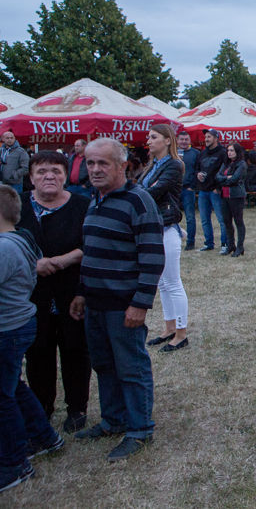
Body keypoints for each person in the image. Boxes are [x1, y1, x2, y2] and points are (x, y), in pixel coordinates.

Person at [69, 138, 164, 461]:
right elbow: (91, 251)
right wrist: (81, 292)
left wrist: (140, 303)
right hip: (95, 302)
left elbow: (153, 257)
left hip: (123, 305)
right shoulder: (95, 199)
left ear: (122, 166)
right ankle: (113, 420)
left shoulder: (139, 201)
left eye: (103, 163)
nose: (95, 169)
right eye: (90, 163)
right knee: (104, 365)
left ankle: (140, 429)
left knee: (131, 367)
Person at [18, 152, 92, 432]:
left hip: (73, 292)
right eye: (41, 171)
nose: (49, 176)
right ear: (31, 177)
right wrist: (32, 263)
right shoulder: (17, 206)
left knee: (76, 349)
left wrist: (66, 259)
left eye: (56, 171)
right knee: (38, 351)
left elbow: (93, 243)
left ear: (65, 176)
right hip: (31, 295)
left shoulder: (83, 205)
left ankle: (77, 408)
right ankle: (42, 408)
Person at [0, 185, 65, 493]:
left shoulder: (4, 248)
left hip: (7, 328)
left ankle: (14, 465)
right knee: (12, 386)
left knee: (2, 398)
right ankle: (43, 437)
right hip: (18, 324)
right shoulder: (20, 238)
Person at [137, 125, 189, 352]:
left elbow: (151, 192)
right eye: (148, 137)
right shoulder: (153, 165)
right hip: (154, 227)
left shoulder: (174, 164)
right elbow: (142, 189)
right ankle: (170, 328)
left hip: (167, 227)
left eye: (153, 137)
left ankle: (181, 333)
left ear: (168, 140)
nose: (148, 141)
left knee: (173, 282)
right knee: (163, 283)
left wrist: (132, 195)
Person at [194, 129, 227, 252]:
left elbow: (226, 171)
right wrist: (198, 174)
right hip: (203, 191)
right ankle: (209, 243)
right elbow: (196, 169)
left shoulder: (223, 152)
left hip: (215, 191)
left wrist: (218, 188)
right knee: (204, 219)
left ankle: (225, 243)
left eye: (209, 137)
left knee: (222, 219)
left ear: (216, 138)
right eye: (206, 137)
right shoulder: (202, 153)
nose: (206, 139)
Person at [215, 142, 247, 257]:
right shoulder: (226, 164)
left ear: (237, 152)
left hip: (236, 196)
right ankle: (231, 245)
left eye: (232, 150)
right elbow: (217, 177)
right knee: (227, 222)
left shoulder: (241, 164)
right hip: (225, 196)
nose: (229, 153)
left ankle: (240, 246)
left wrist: (223, 180)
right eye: (228, 150)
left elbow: (235, 179)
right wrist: (225, 178)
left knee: (238, 221)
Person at [176, 131, 200, 250]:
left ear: (190, 141)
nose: (184, 142)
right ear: (177, 140)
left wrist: (192, 186)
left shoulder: (195, 153)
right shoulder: (172, 153)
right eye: (181, 139)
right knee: (172, 216)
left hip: (188, 189)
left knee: (190, 217)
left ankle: (190, 242)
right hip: (174, 189)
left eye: (186, 139)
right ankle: (175, 240)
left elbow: (198, 170)